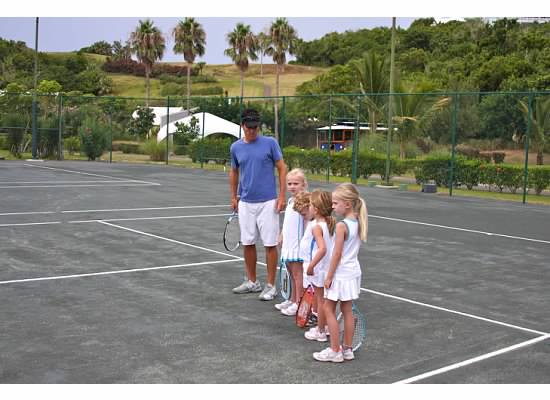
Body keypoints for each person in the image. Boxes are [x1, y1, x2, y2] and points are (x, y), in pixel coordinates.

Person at [229, 108, 287, 301]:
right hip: (245, 202)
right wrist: (233, 196)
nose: (252, 131)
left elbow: (282, 167)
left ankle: (271, 286)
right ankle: (252, 282)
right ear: (242, 126)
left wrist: (281, 196)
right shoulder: (235, 147)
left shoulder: (270, 143)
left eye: (255, 127)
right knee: (248, 243)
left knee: (270, 244)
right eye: (249, 127)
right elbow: (234, 172)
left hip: (268, 202)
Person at [313, 183, 368, 363]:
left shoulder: (341, 226)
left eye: (336, 203)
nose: (333, 206)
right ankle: (347, 349)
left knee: (328, 308)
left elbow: (336, 254)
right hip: (352, 272)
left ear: (348, 204)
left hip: (341, 273)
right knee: (347, 310)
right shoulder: (359, 222)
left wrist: (329, 276)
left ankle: (335, 350)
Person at [300, 190, 335, 342]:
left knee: (321, 301)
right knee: (324, 301)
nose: (310, 208)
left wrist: (311, 266)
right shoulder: (328, 223)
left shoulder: (317, 227)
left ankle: (320, 331)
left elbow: (322, 249)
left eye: (312, 205)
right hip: (326, 268)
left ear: (317, 209)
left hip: (319, 269)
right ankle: (325, 326)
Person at [275, 172, 308, 316]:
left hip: (298, 245)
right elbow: (288, 222)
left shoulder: (306, 201)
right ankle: (292, 299)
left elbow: (307, 223)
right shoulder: (290, 201)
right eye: (290, 184)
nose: (292, 186)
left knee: (297, 274)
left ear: (303, 184)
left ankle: (299, 302)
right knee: (291, 273)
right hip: (288, 243)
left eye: (296, 183)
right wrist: (282, 234)